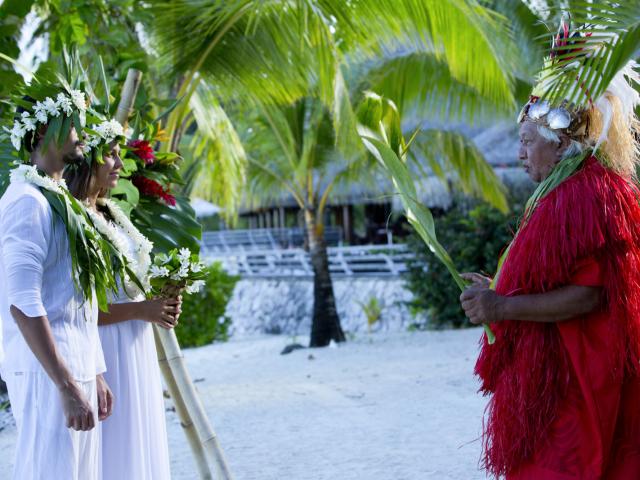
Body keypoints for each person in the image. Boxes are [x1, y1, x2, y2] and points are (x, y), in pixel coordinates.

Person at [459, 22, 640, 479]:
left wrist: (502, 305)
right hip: (564, 378)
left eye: (526, 141)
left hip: (579, 382)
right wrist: (500, 288)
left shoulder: (583, 195)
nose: (519, 153)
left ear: (558, 141)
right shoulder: (567, 191)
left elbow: (588, 296)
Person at [0, 89, 113, 479]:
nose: (82, 133)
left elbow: (79, 295)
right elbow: (22, 300)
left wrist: (94, 371)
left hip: (76, 362)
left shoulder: (58, 199)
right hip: (45, 372)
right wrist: (65, 385)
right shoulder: (27, 202)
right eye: (73, 124)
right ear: (44, 131)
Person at [65, 141, 180, 480]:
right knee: (116, 441)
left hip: (136, 342)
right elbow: (74, 306)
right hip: (104, 347)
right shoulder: (74, 219)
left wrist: (165, 298)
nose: (119, 164)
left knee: (141, 434)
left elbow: (132, 285)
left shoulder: (112, 212)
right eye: (111, 155)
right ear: (87, 159)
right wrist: (142, 310)